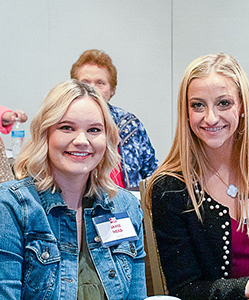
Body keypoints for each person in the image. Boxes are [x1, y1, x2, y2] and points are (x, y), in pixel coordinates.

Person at [146, 53, 249, 299]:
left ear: (241, 106)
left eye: (223, 103)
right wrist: (247, 288)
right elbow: (184, 288)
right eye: (198, 105)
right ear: (186, 112)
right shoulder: (171, 188)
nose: (210, 117)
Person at [0, 80, 147, 299]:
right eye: (67, 128)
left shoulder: (125, 206)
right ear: (46, 134)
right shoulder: (12, 206)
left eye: (94, 130)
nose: (81, 140)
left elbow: (136, 296)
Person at [70, 49, 158, 190]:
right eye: (85, 83)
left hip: (128, 202)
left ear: (112, 90)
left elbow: (151, 173)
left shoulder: (130, 124)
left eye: (100, 83)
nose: (92, 89)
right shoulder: (64, 124)